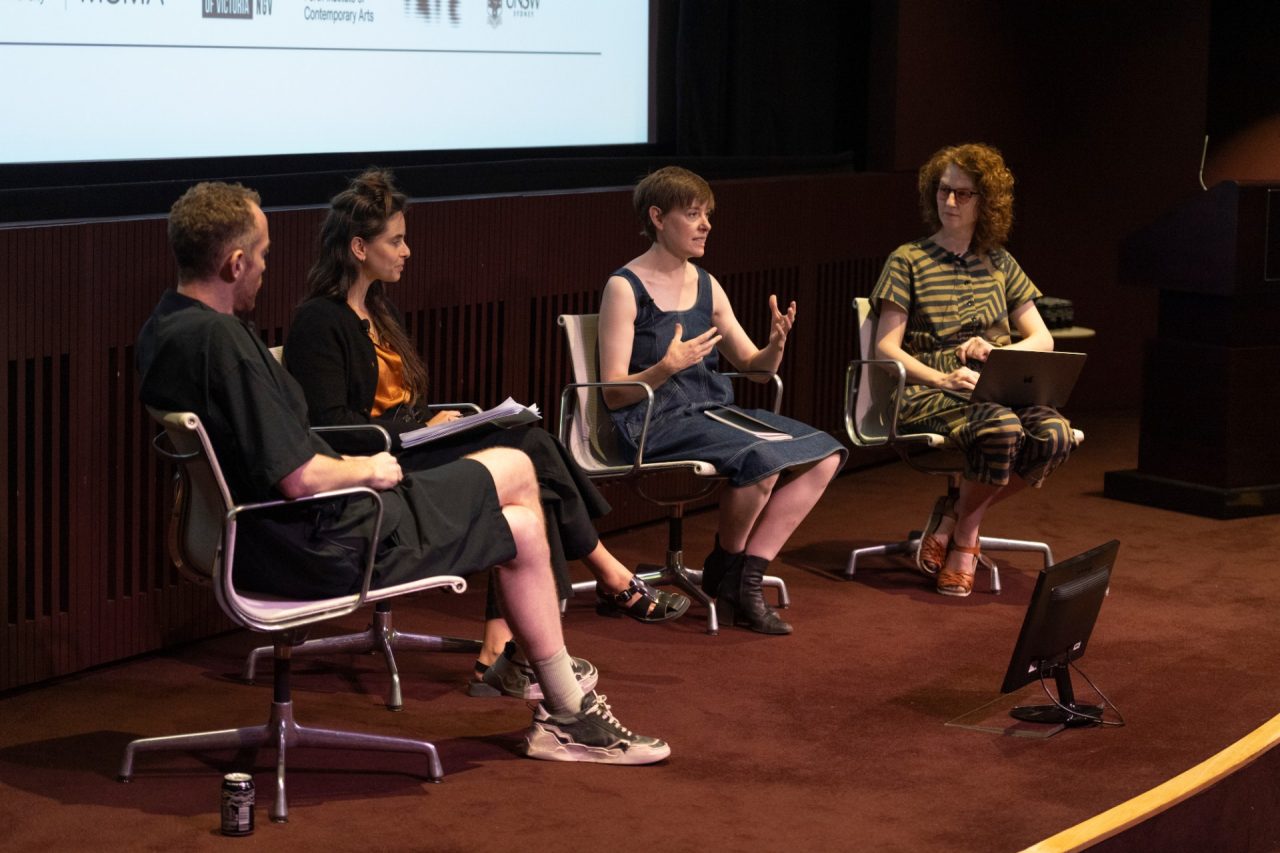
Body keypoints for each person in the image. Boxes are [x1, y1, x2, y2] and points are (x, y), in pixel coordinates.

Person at [136, 180, 670, 765]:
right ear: (235, 263)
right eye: (262, 254)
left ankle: (557, 704)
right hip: (325, 540)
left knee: (521, 523)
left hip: (268, 538)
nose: (266, 266)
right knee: (520, 464)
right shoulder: (224, 343)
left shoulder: (164, 329)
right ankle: (561, 695)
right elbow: (299, 478)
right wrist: (371, 467)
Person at [283, 170, 689, 691]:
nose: (407, 251)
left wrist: (433, 424)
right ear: (359, 248)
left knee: (528, 457)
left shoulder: (381, 312)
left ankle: (503, 647)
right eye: (396, 240)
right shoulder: (319, 320)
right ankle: (601, 579)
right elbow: (331, 427)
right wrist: (415, 427)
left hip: (410, 449)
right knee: (529, 449)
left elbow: (403, 402)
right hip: (375, 468)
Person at [597, 166, 846, 635]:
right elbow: (612, 391)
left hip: (711, 414)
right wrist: (665, 368)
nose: (706, 225)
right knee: (762, 458)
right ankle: (735, 580)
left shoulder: (707, 284)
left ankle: (739, 571)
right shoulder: (625, 287)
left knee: (827, 455)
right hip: (653, 422)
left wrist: (775, 345)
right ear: (657, 217)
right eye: (693, 214)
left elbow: (755, 367)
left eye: (707, 214)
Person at [870, 143, 1074, 598]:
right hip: (933, 389)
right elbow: (885, 348)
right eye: (944, 190)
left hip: (995, 385)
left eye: (963, 194)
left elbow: (1043, 339)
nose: (950, 201)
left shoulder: (1000, 262)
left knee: (1055, 437)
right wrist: (941, 377)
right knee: (1002, 429)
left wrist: (1000, 349)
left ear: (986, 202)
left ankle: (957, 518)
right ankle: (964, 544)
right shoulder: (908, 259)